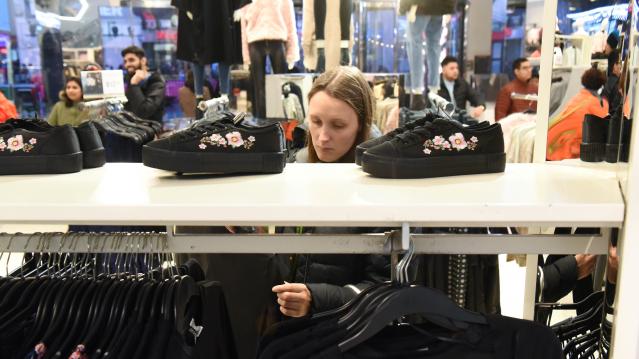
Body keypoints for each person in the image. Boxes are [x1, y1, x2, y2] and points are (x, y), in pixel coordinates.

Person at [273, 66, 387, 317]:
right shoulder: (294, 170)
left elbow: (382, 289)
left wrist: (316, 299)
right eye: (315, 121)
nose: (323, 137)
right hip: (291, 329)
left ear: (361, 125)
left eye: (338, 125)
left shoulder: (381, 190)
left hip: (345, 335)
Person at [547, 67, 609, 161]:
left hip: (553, 139)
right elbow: (602, 127)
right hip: (571, 145)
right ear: (601, 84)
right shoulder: (599, 103)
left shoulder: (578, 97)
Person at [121, 46, 166, 123]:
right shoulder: (128, 80)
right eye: (125, 61)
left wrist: (134, 85)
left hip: (150, 131)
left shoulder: (156, 81)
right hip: (130, 131)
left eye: (131, 60)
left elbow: (144, 111)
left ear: (143, 61)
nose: (127, 64)